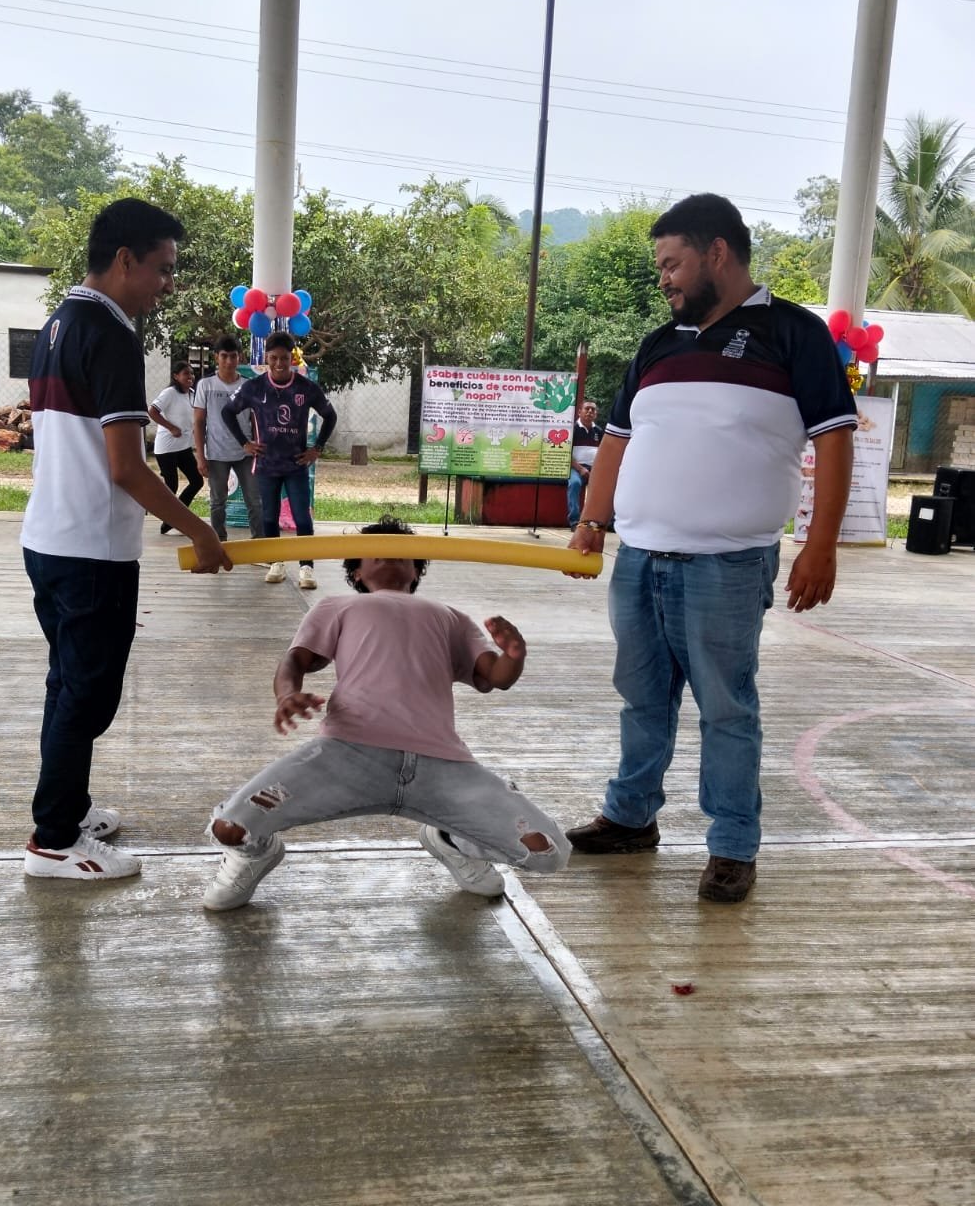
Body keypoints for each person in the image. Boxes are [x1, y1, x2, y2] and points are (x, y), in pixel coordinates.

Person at [566, 193, 856, 904]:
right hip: (638, 558)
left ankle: (732, 845)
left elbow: (834, 438)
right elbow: (616, 442)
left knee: (727, 708)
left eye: (672, 263)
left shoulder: (793, 333)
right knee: (641, 699)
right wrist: (593, 522)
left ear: (716, 253)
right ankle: (630, 818)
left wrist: (821, 545)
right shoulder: (658, 344)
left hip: (728, 564)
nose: (663, 278)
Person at [201, 515, 571, 911]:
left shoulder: (449, 616)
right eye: (374, 550)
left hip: (442, 766)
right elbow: (295, 659)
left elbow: (495, 676)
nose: (389, 554)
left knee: (547, 851)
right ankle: (255, 854)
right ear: (356, 573)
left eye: (401, 550)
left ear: (417, 569)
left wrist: (514, 656)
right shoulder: (338, 606)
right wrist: (287, 695)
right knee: (230, 827)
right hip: (347, 754)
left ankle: (451, 840)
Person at [21, 197, 231, 882]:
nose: (166, 285)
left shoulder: (59, 322)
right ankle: (54, 840)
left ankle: (68, 807)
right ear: (123, 260)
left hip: (50, 538)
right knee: (86, 695)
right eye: (162, 269)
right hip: (89, 549)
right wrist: (202, 530)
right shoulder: (111, 333)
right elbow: (127, 467)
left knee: (69, 685)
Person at [221, 330, 337, 590]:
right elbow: (227, 412)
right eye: (273, 358)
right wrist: (245, 443)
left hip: (296, 465)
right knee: (269, 517)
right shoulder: (254, 387)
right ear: (266, 358)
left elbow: (330, 416)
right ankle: (276, 562)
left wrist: (317, 448)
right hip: (267, 465)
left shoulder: (306, 387)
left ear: (292, 359)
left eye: (284, 358)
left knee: (302, 517)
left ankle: (306, 567)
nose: (279, 363)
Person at [192, 336, 262, 545]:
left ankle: (259, 542)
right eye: (224, 356)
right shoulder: (205, 385)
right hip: (216, 453)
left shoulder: (248, 385)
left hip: (245, 453)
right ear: (216, 357)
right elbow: (198, 422)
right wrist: (200, 456)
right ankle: (219, 542)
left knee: (255, 500)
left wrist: (257, 446)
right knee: (217, 502)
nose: (229, 361)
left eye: (233, 356)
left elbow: (255, 419)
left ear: (240, 357)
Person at [148, 359, 203, 532]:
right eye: (186, 373)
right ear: (176, 376)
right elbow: (152, 411)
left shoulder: (192, 394)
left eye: (192, 373)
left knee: (197, 481)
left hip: (183, 447)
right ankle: (169, 518)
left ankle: (174, 518)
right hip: (167, 448)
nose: (190, 376)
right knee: (172, 486)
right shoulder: (169, 393)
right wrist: (171, 427)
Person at [566, 398, 603, 529]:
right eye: (587, 409)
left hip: (595, 469)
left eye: (593, 410)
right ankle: (574, 521)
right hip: (575, 468)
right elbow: (565, 453)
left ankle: (604, 522)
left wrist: (597, 469)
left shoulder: (599, 431)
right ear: (579, 412)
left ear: (596, 414)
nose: (590, 411)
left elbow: (604, 453)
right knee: (575, 483)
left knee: (608, 486)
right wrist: (580, 469)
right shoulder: (572, 429)